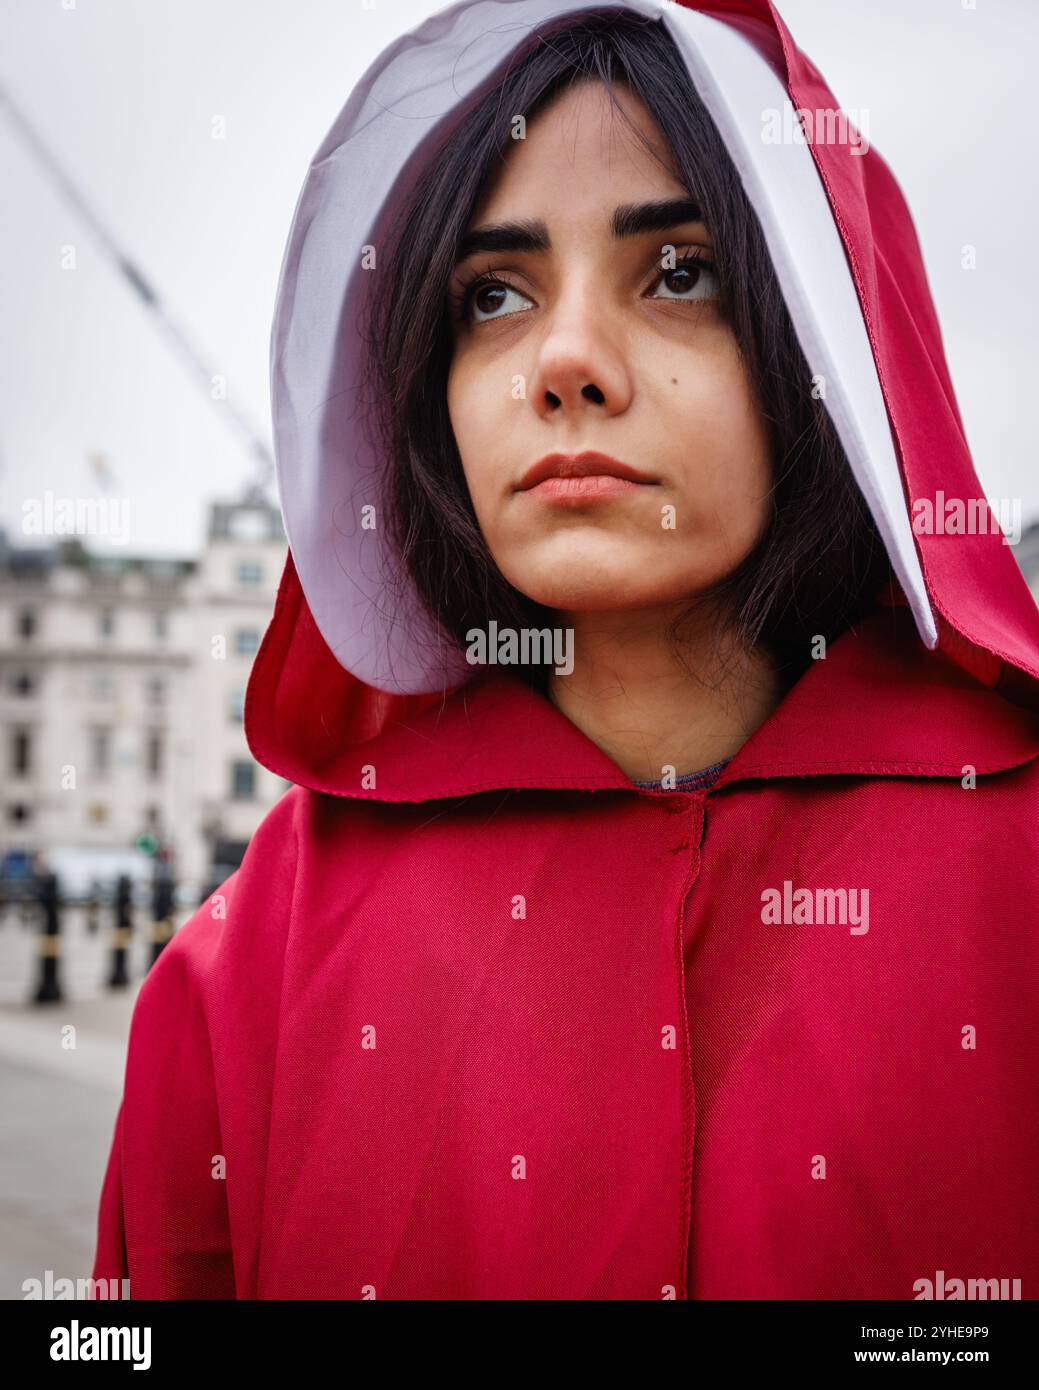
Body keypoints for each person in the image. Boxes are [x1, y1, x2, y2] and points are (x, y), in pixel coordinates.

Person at [91, 0, 1039, 1300]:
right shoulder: (248, 958)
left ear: (825, 337)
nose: (568, 362)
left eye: (681, 272)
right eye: (494, 294)